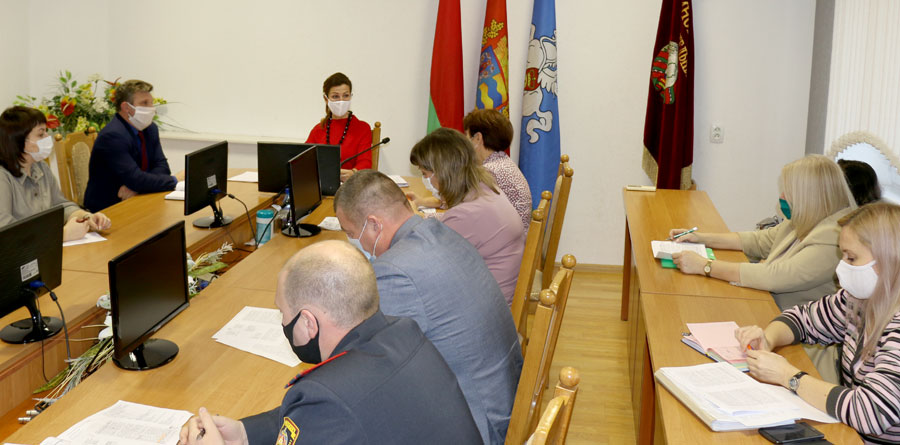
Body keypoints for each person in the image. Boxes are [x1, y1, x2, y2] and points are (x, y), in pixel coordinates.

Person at [179, 240, 481, 445]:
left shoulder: (327, 398)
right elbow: (314, 419)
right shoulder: (405, 332)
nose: (282, 322)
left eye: (283, 312)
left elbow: (325, 410)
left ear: (308, 323)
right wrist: (247, 434)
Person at [333, 170, 522, 444]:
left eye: (352, 233)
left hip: (480, 425)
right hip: (504, 397)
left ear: (374, 225)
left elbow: (369, 360)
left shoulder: (395, 272)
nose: (354, 242)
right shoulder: (441, 232)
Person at [670, 155, 856, 383]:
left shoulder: (834, 236)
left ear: (810, 195)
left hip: (802, 345)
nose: (782, 197)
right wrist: (701, 238)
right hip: (772, 319)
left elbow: (774, 277)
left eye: (789, 191)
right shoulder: (805, 220)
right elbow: (757, 241)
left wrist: (705, 266)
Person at [736, 203, 900, 444]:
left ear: (889, 261)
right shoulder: (858, 301)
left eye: (851, 258)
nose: (841, 267)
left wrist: (788, 376)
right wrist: (768, 338)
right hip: (849, 432)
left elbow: (871, 413)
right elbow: (802, 319)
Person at [408, 128, 525, 305]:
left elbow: (428, 264)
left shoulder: (466, 214)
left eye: (424, 174)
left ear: (442, 171)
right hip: (496, 295)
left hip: (484, 308)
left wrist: (412, 220)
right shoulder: (485, 188)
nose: (424, 179)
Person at [0, 106, 110, 240]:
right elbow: (6, 232)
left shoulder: (40, 167)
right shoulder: (3, 176)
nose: (47, 137)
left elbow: (59, 205)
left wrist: (86, 217)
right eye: (41, 134)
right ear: (19, 141)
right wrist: (61, 235)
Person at [83, 79, 177, 212]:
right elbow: (135, 178)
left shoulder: (150, 129)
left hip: (138, 198)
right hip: (108, 208)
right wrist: (173, 181)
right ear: (126, 107)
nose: (152, 108)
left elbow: (162, 167)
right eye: (145, 103)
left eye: (151, 103)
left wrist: (138, 186)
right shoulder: (112, 136)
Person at [463, 108, 532, 231]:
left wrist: (427, 216)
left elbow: (463, 216)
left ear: (478, 138)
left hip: (505, 240)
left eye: (467, 138)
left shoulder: (489, 172)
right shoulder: (502, 163)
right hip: (514, 237)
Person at [306, 72, 373, 183]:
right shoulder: (318, 129)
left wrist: (353, 173)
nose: (341, 101)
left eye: (346, 96)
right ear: (326, 99)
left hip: (351, 185)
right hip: (323, 186)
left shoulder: (363, 128)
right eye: (335, 96)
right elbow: (304, 161)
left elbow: (365, 162)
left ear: (351, 96)